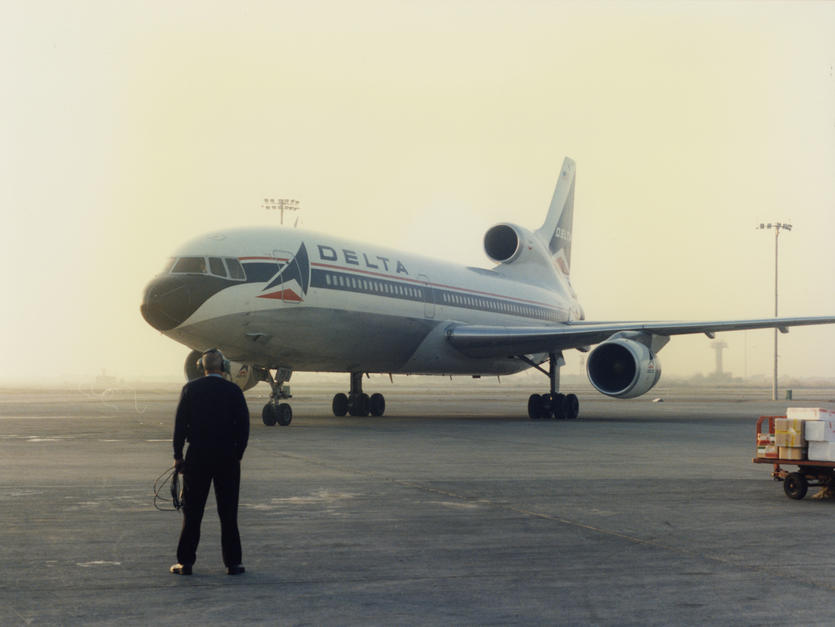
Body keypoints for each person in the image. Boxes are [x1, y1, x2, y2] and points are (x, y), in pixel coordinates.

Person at [169, 348, 250, 576]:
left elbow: (179, 426)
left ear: (201, 367)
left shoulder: (190, 389)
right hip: (227, 457)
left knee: (192, 513)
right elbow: (244, 428)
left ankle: (185, 563)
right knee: (228, 513)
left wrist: (178, 456)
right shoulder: (234, 391)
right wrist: (237, 454)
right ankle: (233, 564)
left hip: (198, 456)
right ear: (223, 367)